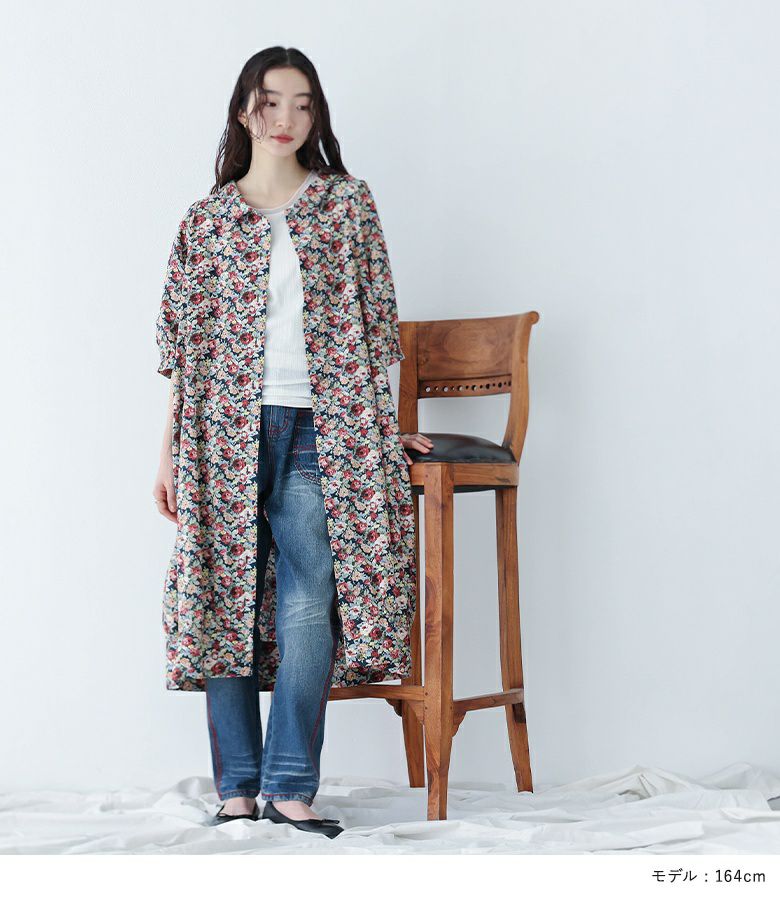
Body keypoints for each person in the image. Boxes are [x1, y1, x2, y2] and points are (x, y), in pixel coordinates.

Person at [152, 47, 433, 838]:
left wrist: (380, 426)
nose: (286, 118)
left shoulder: (347, 204)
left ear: (317, 114)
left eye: (302, 104)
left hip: (324, 428)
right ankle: (237, 788)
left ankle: (288, 786)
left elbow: (377, 324)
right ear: (244, 109)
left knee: (312, 602)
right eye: (271, 101)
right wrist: (166, 451)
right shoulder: (206, 220)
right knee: (223, 596)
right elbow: (182, 347)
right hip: (221, 429)